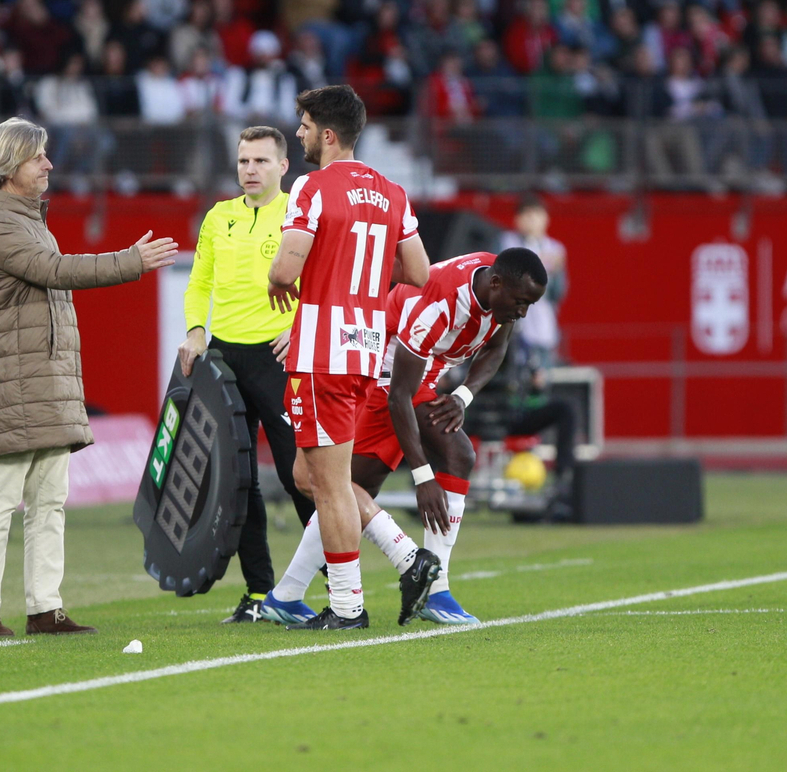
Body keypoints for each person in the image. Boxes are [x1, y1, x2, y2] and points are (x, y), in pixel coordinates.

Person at [0, 118, 177, 639]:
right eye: (39, 157)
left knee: (48, 501)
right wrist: (131, 261)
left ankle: (45, 608)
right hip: (13, 380)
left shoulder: (30, 220)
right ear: (11, 166)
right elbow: (56, 272)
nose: (49, 165)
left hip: (43, 377)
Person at [261, 248, 547, 628]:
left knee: (350, 486)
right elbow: (400, 395)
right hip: (381, 371)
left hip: (415, 374)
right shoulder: (437, 307)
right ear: (496, 285)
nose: (523, 311)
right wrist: (423, 477)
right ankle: (426, 579)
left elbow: (497, 346)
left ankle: (287, 595)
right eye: (521, 302)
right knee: (338, 484)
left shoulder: (504, 288)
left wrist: (462, 396)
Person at [267, 85, 429, 630]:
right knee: (309, 474)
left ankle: (347, 607)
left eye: (306, 126)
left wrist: (279, 277)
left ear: (328, 134)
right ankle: (396, 561)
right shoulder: (394, 193)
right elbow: (420, 274)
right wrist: (362, 283)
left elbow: (286, 271)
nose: (300, 134)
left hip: (320, 353)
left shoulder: (311, 187)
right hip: (364, 350)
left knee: (328, 486)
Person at [177, 125, 315, 624]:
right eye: (242, 162)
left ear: (283, 166)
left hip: (278, 360)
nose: (250, 170)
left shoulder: (299, 214)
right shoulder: (219, 217)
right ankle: (259, 592)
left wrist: (301, 329)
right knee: (238, 481)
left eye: (260, 161)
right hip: (224, 360)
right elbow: (199, 283)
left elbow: (321, 284)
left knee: (298, 474)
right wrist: (196, 330)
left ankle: (334, 586)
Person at [497, 196, 568, 365]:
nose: (532, 220)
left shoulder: (556, 249)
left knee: (543, 380)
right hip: (516, 328)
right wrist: (541, 263)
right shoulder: (507, 242)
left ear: (546, 219)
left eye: (537, 215)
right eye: (527, 215)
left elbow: (558, 292)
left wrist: (556, 272)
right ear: (517, 219)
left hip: (545, 326)